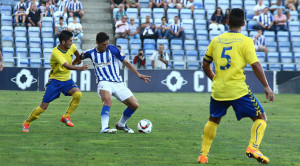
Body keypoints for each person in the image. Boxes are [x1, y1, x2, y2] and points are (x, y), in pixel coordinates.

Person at [197, 8, 274, 164]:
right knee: (261, 118)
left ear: (227, 22)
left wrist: (215, 79)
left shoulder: (216, 40)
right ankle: (253, 147)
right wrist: (266, 86)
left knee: (213, 119)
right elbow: (256, 65)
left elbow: (205, 65)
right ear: (244, 23)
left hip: (219, 90)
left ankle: (203, 155)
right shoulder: (246, 41)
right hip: (238, 90)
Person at [75, 32, 151, 133]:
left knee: (134, 105)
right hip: (103, 82)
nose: (106, 46)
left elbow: (126, 62)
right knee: (107, 101)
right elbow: (78, 58)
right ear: (97, 43)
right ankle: (104, 128)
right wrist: (73, 65)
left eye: (107, 44)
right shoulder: (90, 53)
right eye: (103, 44)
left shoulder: (113, 49)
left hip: (118, 82)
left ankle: (121, 124)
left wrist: (138, 74)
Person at [22, 30, 89, 132]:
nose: (71, 43)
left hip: (67, 80)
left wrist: (77, 60)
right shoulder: (55, 52)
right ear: (63, 42)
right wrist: (80, 68)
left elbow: (77, 56)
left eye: (72, 41)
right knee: (42, 108)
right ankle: (27, 122)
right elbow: (66, 66)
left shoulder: (72, 47)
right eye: (70, 41)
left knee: (78, 94)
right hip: (55, 82)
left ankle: (66, 116)